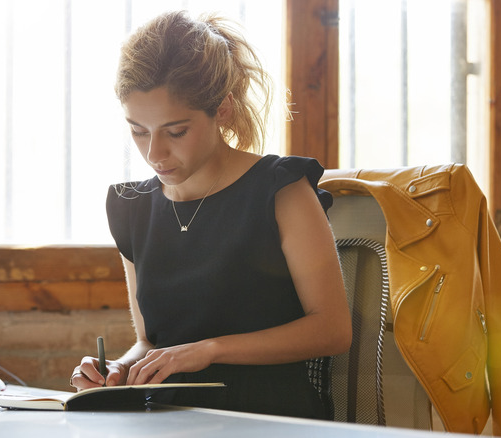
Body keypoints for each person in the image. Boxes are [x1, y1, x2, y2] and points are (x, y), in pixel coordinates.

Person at [70, 10, 351, 419]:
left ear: (222, 110)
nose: (154, 154)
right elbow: (150, 342)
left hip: (268, 418)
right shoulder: (130, 207)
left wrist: (209, 350)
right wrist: (117, 370)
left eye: (176, 131)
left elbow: (332, 330)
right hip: (166, 419)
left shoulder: (281, 189)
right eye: (138, 130)